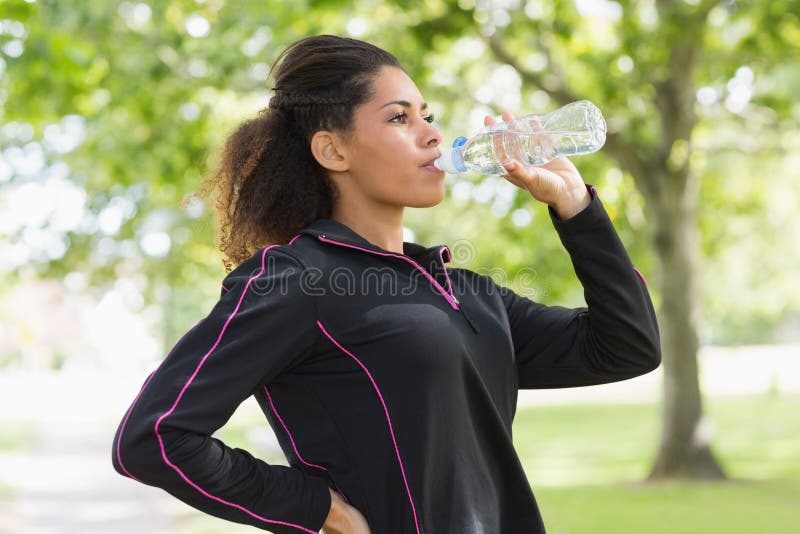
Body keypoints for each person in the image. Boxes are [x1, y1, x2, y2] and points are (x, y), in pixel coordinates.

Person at [111, 34, 661, 534]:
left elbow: (626, 348)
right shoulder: (298, 279)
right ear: (333, 150)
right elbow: (155, 437)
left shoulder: (467, 292)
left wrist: (576, 208)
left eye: (428, 115)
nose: (432, 134)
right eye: (400, 118)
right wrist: (316, 507)